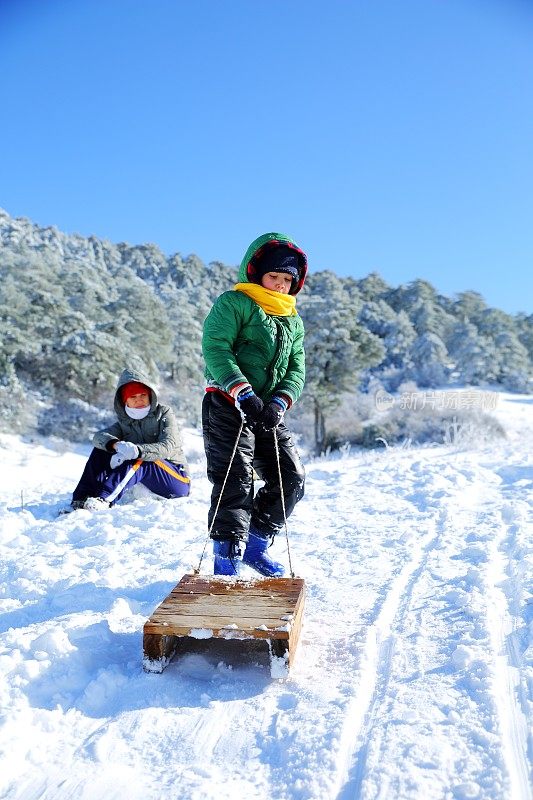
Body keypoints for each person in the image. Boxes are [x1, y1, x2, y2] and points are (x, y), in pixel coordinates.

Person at [202, 232, 307, 576]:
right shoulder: (234, 303)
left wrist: (278, 402)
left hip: (267, 412)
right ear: (256, 272)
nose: (279, 285)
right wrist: (242, 392)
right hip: (228, 403)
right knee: (236, 478)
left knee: (291, 477)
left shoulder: (292, 320)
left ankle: (258, 543)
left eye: (286, 279)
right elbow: (216, 347)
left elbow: (296, 368)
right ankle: (226, 556)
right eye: (273, 276)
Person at [69, 367, 190, 510]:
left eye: (143, 395)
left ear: (150, 395)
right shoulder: (125, 422)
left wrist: (137, 451)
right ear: (125, 401)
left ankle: (104, 499)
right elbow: (98, 437)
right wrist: (116, 445)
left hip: (176, 480)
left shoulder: (164, 414)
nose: (139, 400)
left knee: (141, 458)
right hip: (147, 479)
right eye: (133, 397)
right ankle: (82, 498)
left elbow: (168, 445)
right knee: (101, 449)